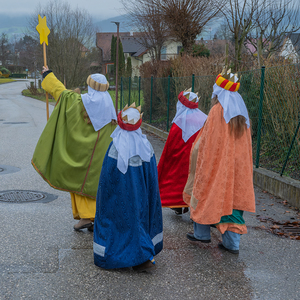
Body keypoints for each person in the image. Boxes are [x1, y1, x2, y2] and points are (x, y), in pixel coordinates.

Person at [32, 67, 117, 231]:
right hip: (100, 159)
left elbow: (60, 92)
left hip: (79, 154)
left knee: (79, 181)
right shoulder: (111, 112)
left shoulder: (77, 102)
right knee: (96, 184)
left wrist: (47, 75)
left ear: (90, 86)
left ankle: (86, 218)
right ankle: (96, 216)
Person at [183, 68, 256, 254]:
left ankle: (202, 234)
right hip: (237, 167)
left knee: (205, 194)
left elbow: (207, 142)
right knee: (233, 202)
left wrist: (200, 161)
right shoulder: (242, 114)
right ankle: (232, 244)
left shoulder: (217, 111)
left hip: (216, 165)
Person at [93, 103, 163, 272]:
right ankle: (142, 255)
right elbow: (152, 179)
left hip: (118, 200)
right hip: (141, 198)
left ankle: (120, 255)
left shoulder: (115, 148)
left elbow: (106, 180)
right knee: (138, 219)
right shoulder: (146, 147)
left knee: (118, 221)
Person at [157, 89, 207, 214]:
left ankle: (178, 204)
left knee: (177, 177)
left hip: (181, 161)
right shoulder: (205, 120)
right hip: (198, 159)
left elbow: (170, 147)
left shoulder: (178, 123)